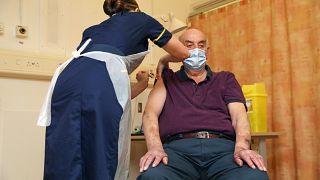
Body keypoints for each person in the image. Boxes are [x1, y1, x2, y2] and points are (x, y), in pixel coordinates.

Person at [37, 0, 190, 179]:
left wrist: (141, 84)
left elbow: (107, 96)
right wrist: (164, 60)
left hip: (65, 81)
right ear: (136, 8)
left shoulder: (92, 30)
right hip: (101, 78)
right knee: (104, 148)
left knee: (67, 148)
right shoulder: (142, 19)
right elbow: (183, 53)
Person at [138, 28, 269, 180]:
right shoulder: (167, 79)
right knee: (152, 176)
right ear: (178, 50)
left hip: (223, 152)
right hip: (177, 153)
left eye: (201, 45)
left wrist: (241, 148)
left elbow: (239, 116)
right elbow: (150, 114)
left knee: (255, 176)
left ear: (207, 50)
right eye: (189, 45)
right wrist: (155, 148)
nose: (196, 50)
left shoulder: (225, 79)